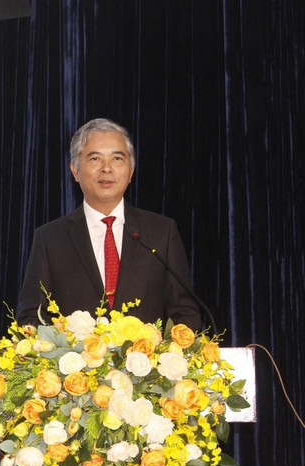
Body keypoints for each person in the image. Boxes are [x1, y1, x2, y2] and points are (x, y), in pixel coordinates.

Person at [16, 118, 201, 329]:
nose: (106, 168)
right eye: (95, 159)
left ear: (131, 171)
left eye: (117, 158)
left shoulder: (161, 232)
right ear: (75, 170)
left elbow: (185, 314)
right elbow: (31, 317)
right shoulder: (50, 238)